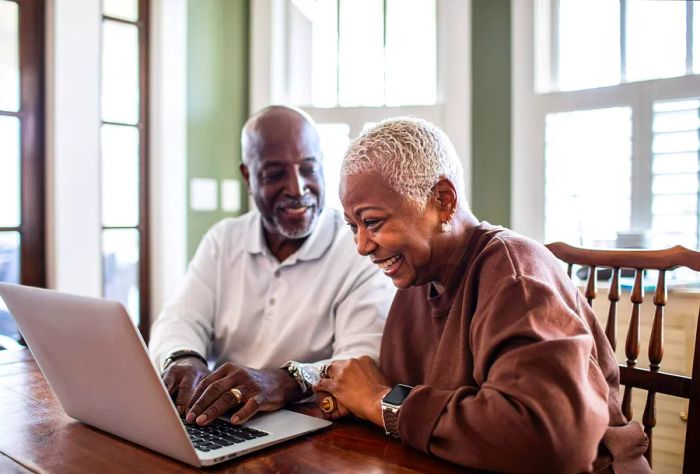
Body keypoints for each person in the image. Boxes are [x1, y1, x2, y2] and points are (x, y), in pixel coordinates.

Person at [314, 117, 651, 472]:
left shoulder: (515, 273)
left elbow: (549, 440)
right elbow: (408, 400)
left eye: (373, 222)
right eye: (353, 227)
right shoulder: (417, 281)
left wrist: (379, 402)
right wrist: (359, 399)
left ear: (443, 201)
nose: (362, 246)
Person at [149, 106, 394, 427]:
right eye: (275, 174)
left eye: (308, 169)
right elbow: (179, 320)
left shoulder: (359, 247)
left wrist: (287, 380)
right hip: (218, 420)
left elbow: (362, 362)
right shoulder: (224, 240)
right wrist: (183, 358)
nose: (297, 189)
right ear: (248, 177)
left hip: (310, 425)